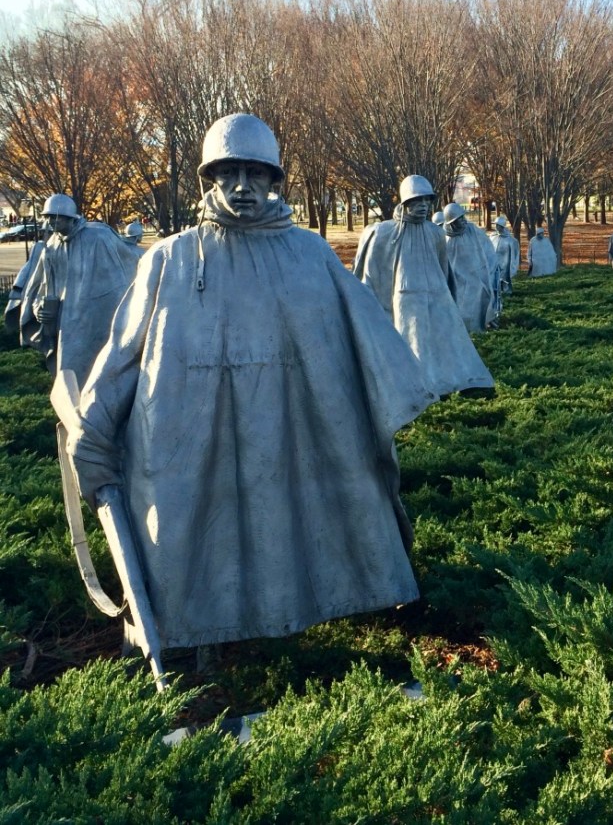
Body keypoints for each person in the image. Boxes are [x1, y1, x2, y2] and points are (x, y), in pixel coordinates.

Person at [65, 113, 433, 654]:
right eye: (228, 172)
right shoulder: (171, 258)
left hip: (294, 430)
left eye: (255, 173)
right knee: (198, 532)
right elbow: (124, 353)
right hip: (191, 436)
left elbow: (365, 341)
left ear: (273, 180)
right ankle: (198, 635)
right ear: (209, 179)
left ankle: (307, 611)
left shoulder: (309, 254)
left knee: (289, 519)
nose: (242, 186)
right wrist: (93, 431)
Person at [353, 174, 494, 396]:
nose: (423, 206)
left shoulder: (436, 233)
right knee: (414, 343)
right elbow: (373, 274)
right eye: (417, 201)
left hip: (438, 294)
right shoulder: (385, 232)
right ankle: (417, 386)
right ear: (405, 202)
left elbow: (444, 268)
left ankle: (454, 381)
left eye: (426, 201)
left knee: (448, 340)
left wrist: (448, 297)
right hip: (407, 296)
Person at [19, 194, 140, 387]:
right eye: (48, 217)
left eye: (57, 217)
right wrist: (38, 308)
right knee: (69, 373)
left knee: (101, 371)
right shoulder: (52, 246)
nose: (52, 221)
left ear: (70, 218)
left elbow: (127, 269)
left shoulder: (98, 237)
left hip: (99, 319)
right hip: (66, 323)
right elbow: (43, 286)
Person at [442, 202, 499, 332]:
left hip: (477, 277)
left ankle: (481, 328)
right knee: (462, 308)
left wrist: (490, 270)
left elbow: (488, 250)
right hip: (457, 281)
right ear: (451, 222)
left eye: (463, 217)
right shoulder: (444, 239)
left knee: (481, 303)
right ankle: (465, 333)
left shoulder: (473, 230)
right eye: (459, 219)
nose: (464, 220)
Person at [3, 221, 52, 334]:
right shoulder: (38, 247)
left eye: (49, 233)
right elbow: (28, 268)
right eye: (45, 233)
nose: (46, 236)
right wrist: (17, 290)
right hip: (35, 290)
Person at [489, 215, 520, 294]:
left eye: (498, 225)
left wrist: (512, 265)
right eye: (495, 225)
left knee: (504, 278)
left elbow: (514, 254)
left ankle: (506, 291)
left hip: (505, 262)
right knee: (494, 277)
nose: (496, 227)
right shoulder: (492, 237)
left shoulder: (511, 240)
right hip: (494, 262)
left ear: (502, 226)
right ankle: (495, 291)